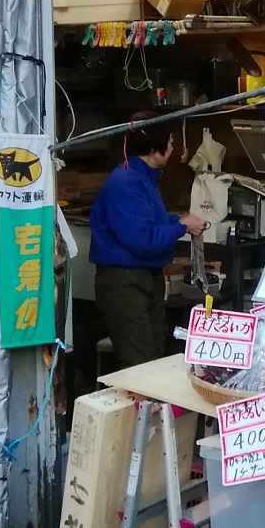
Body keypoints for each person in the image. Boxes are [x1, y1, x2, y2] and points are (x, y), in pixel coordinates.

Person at [90, 111, 206, 369]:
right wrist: (181, 227)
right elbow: (143, 240)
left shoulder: (144, 177)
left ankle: (150, 410)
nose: (173, 147)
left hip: (145, 278)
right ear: (156, 148)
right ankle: (137, 410)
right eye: (171, 141)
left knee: (153, 358)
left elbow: (152, 225)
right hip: (124, 281)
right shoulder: (125, 181)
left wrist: (180, 223)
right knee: (139, 364)